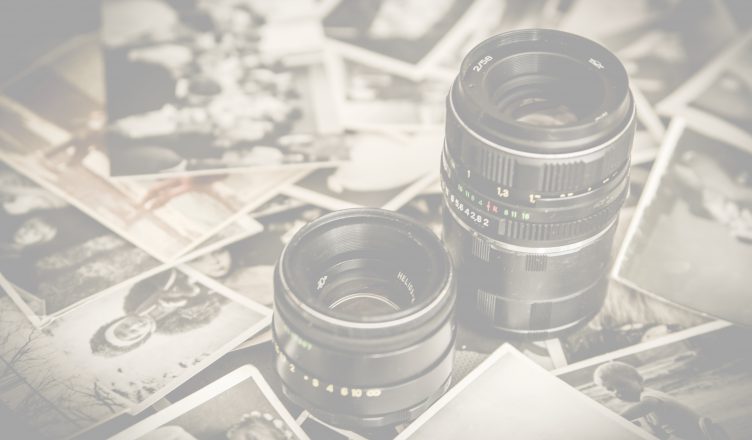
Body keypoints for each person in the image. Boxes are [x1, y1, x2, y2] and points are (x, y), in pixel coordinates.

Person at [593, 361, 729, 440]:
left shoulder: (649, 396)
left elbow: (646, 405)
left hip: (704, 434)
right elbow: (660, 434)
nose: (617, 391)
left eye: (621, 384)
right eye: (610, 389)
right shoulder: (645, 412)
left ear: (638, 379)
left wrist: (618, 419)